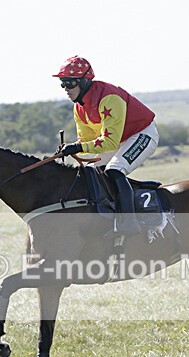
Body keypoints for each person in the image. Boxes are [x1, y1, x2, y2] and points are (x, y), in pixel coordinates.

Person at [53, 55, 159, 234]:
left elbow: (109, 142)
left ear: (85, 81)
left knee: (114, 170)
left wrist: (78, 147)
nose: (66, 89)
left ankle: (129, 224)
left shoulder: (109, 97)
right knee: (89, 172)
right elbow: (87, 142)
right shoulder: (79, 107)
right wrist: (69, 149)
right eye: (63, 83)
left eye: (70, 83)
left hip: (141, 134)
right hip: (118, 140)